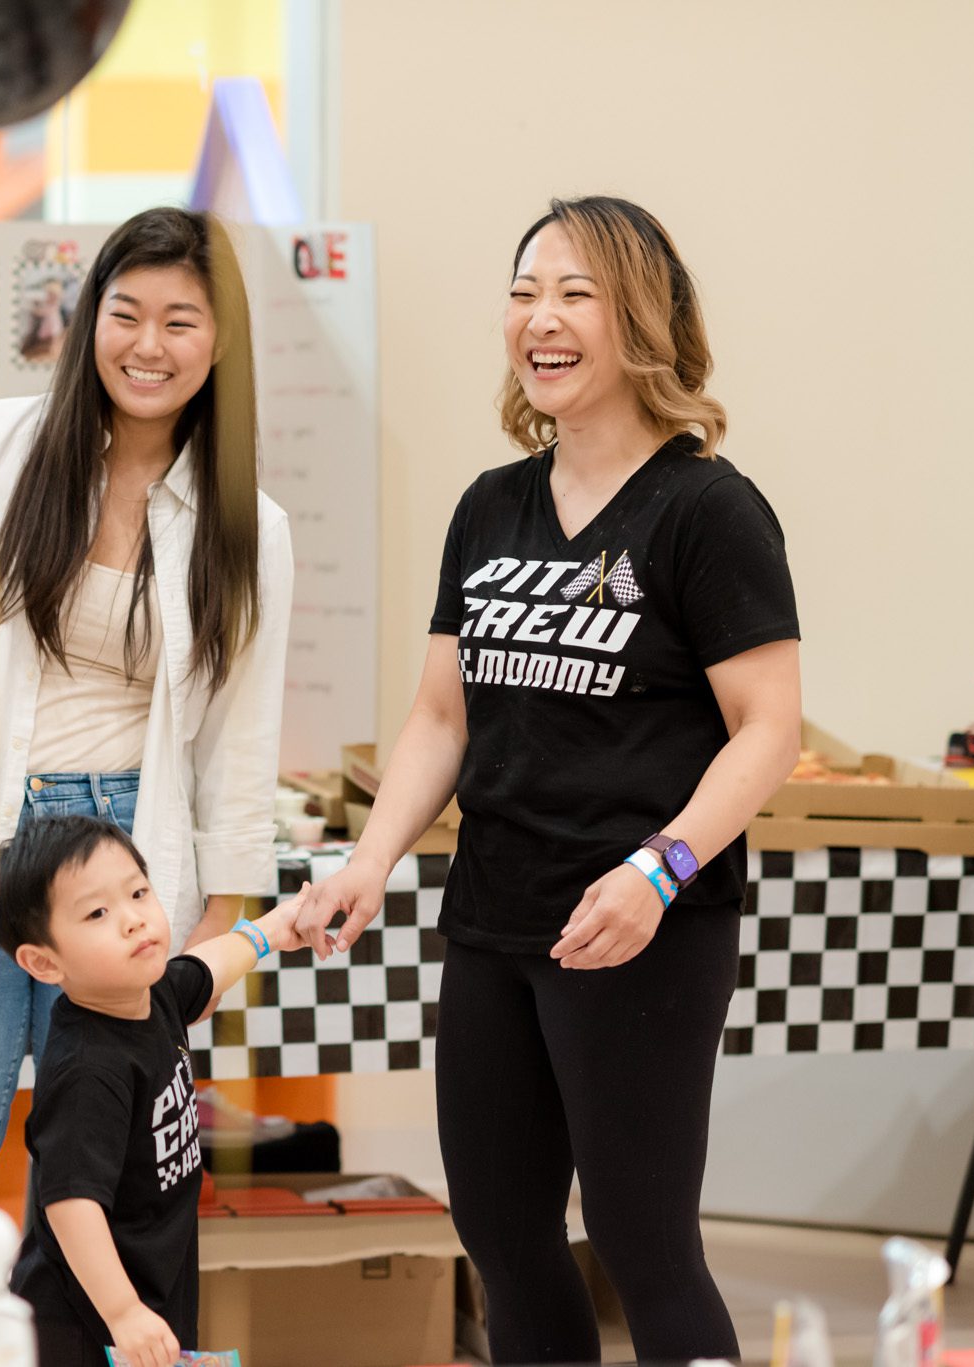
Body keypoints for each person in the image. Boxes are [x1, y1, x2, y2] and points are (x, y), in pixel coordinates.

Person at [293, 195, 801, 1364]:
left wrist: (659, 871)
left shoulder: (706, 510)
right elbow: (438, 714)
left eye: (574, 292)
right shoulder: (490, 505)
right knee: (503, 1230)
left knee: (640, 1237)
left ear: (642, 320)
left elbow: (765, 730)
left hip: (638, 926)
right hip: (493, 918)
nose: (540, 318)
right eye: (524, 292)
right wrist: (367, 859)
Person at [0, 206, 293, 1367]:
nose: (148, 343)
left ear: (218, 342)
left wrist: (223, 906)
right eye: (126, 311)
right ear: (89, 317)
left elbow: (239, 733)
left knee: (100, 1192)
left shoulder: (252, 526)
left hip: (120, 871)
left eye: (179, 320)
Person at [0, 815, 304, 1367]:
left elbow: (205, 966)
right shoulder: (88, 1070)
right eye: (97, 913)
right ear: (44, 962)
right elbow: (70, 1203)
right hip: (84, 1323)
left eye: (138, 892)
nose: (134, 920)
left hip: (152, 1289)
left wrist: (270, 931)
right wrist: (123, 1312)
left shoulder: (150, 993)